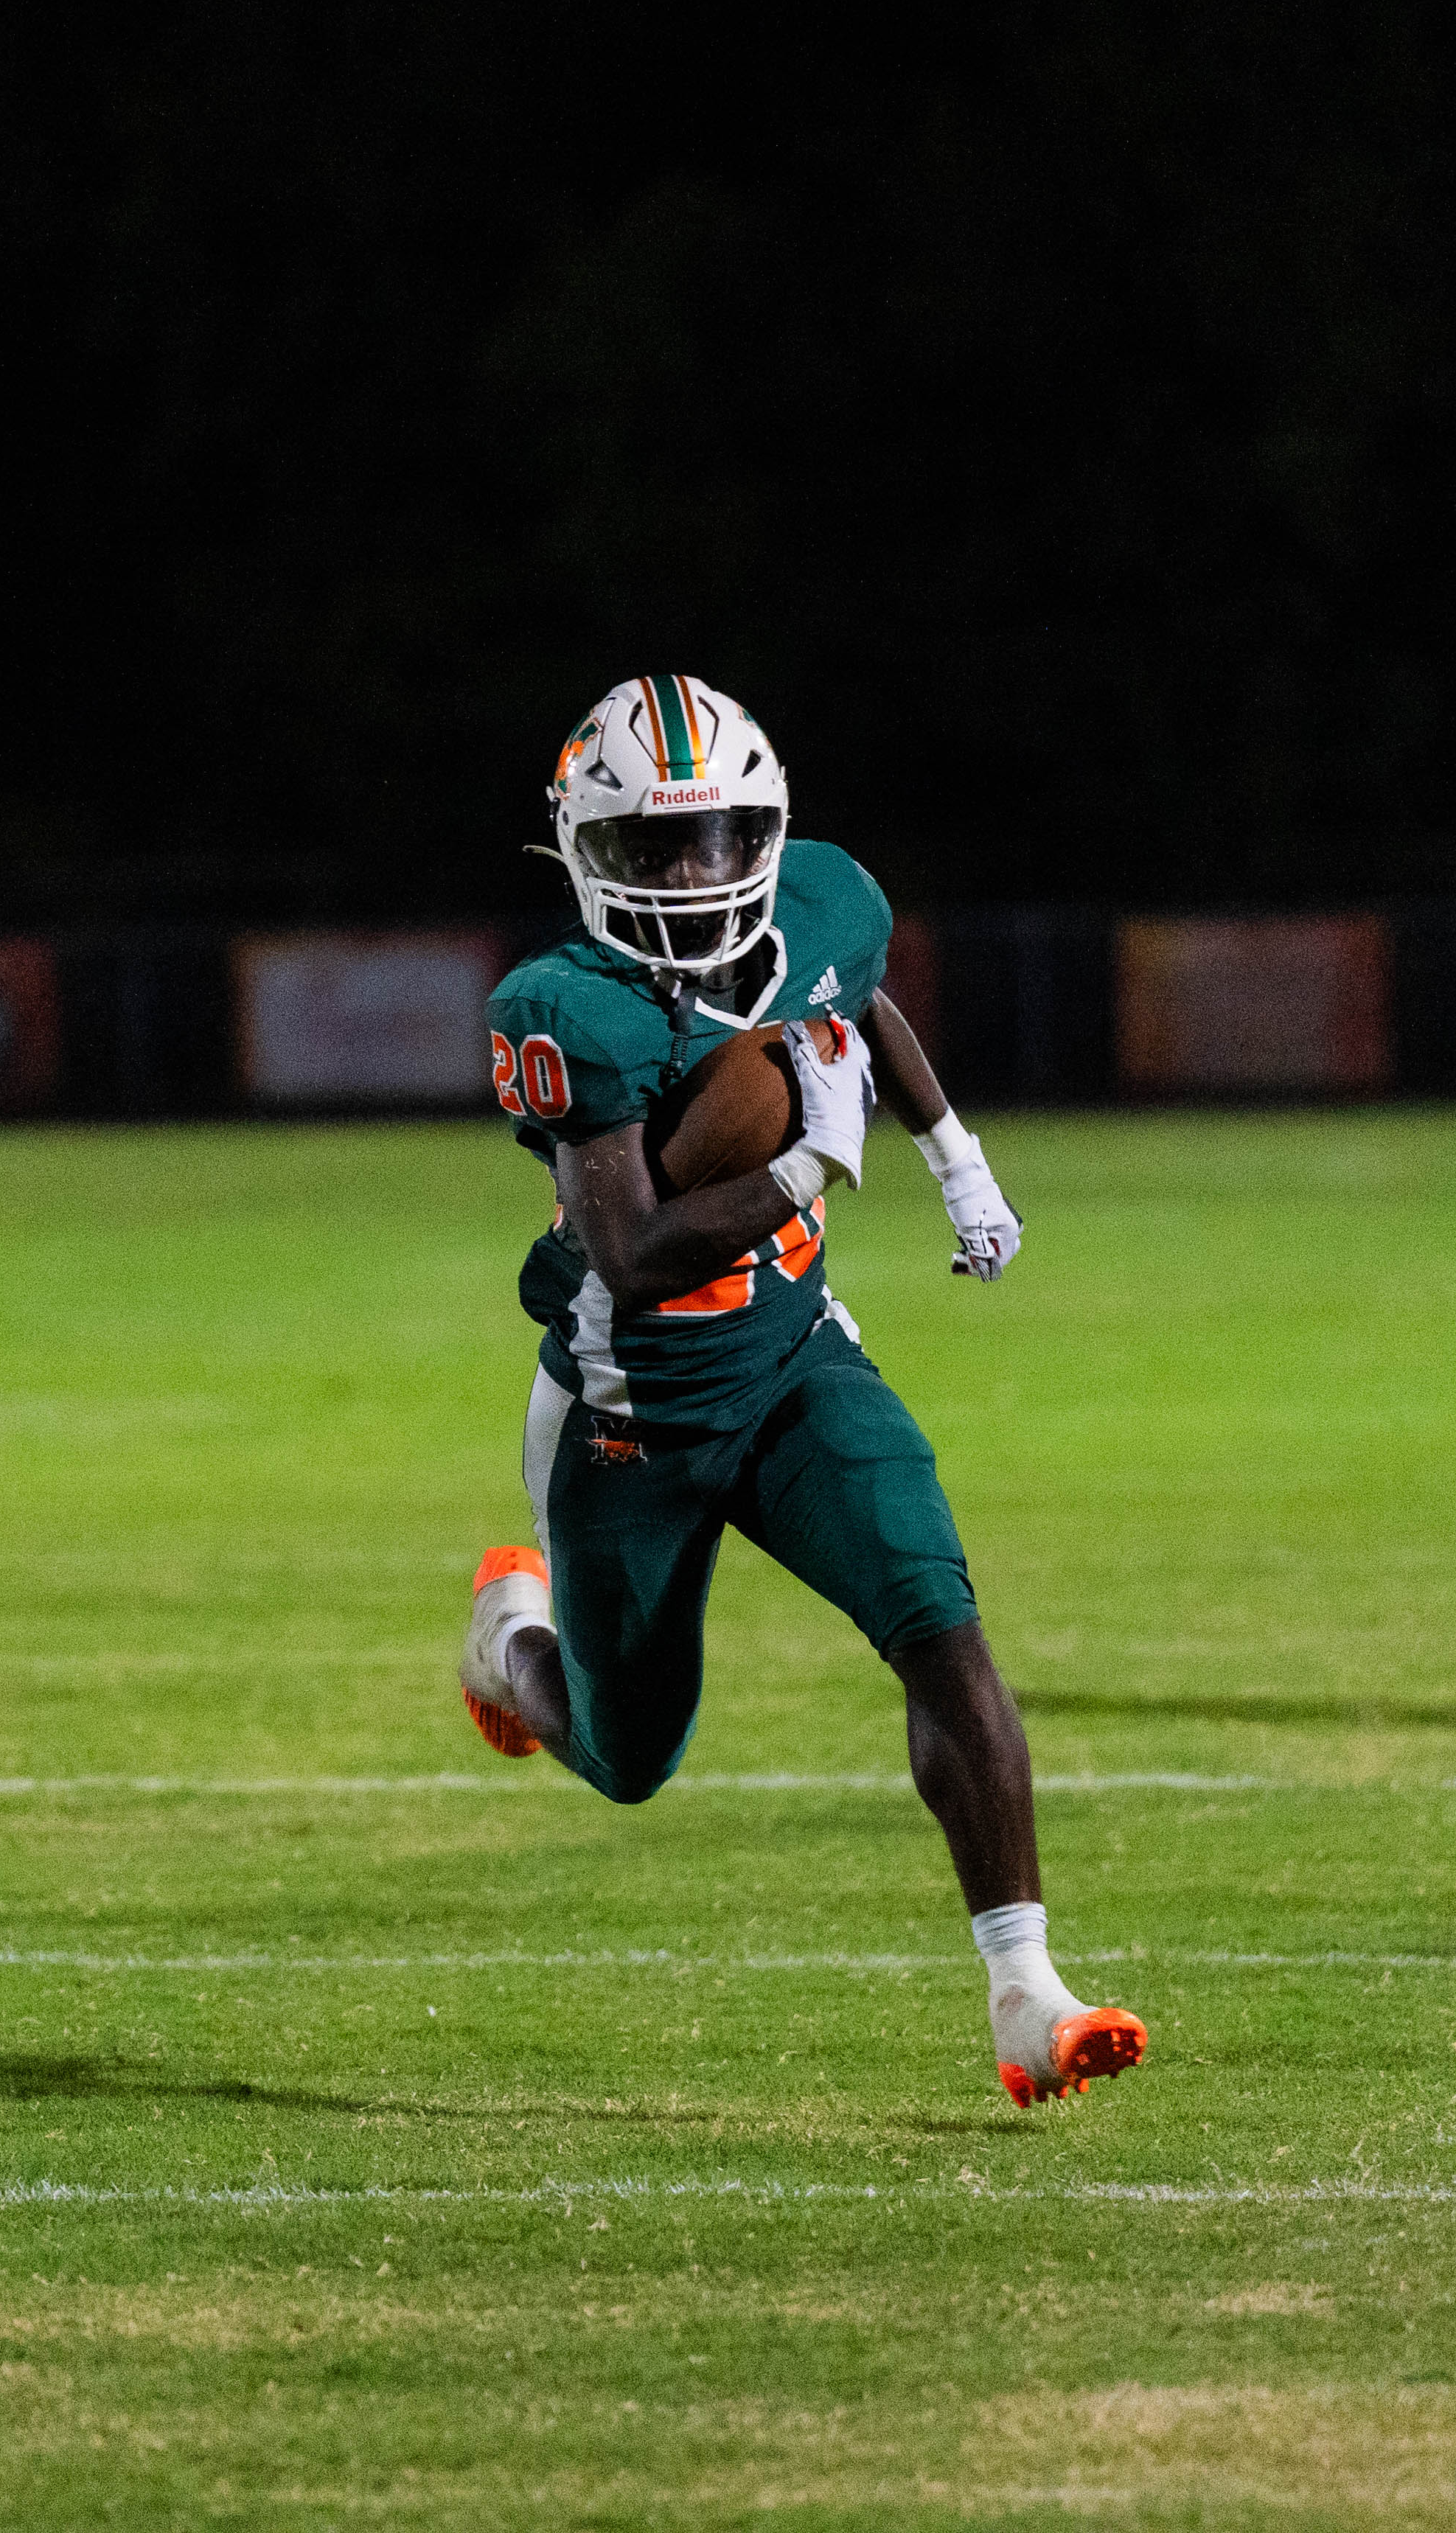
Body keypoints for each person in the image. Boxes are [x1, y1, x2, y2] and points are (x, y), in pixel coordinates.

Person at [459, 672, 1145, 2108]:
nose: (694, 876)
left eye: (717, 837)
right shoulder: (565, 1005)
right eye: (654, 847)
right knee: (625, 1752)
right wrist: (801, 1164)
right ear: (582, 851)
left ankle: (1026, 1990)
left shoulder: (823, 902)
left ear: (766, 829)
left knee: (936, 1624)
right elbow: (633, 1251)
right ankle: (507, 1645)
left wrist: (955, 1154)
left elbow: (854, 1000)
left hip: (792, 1362)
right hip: (628, 1414)